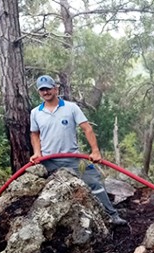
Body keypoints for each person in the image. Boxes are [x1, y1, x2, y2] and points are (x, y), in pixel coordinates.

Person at [29, 75, 127, 226]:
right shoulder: (35, 112)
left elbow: (87, 128)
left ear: (56, 89)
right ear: (39, 92)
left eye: (48, 88)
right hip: (48, 161)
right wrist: (37, 153)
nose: (46, 92)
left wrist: (95, 151)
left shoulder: (71, 107)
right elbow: (34, 134)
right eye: (42, 90)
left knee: (94, 181)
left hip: (74, 158)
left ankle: (112, 216)